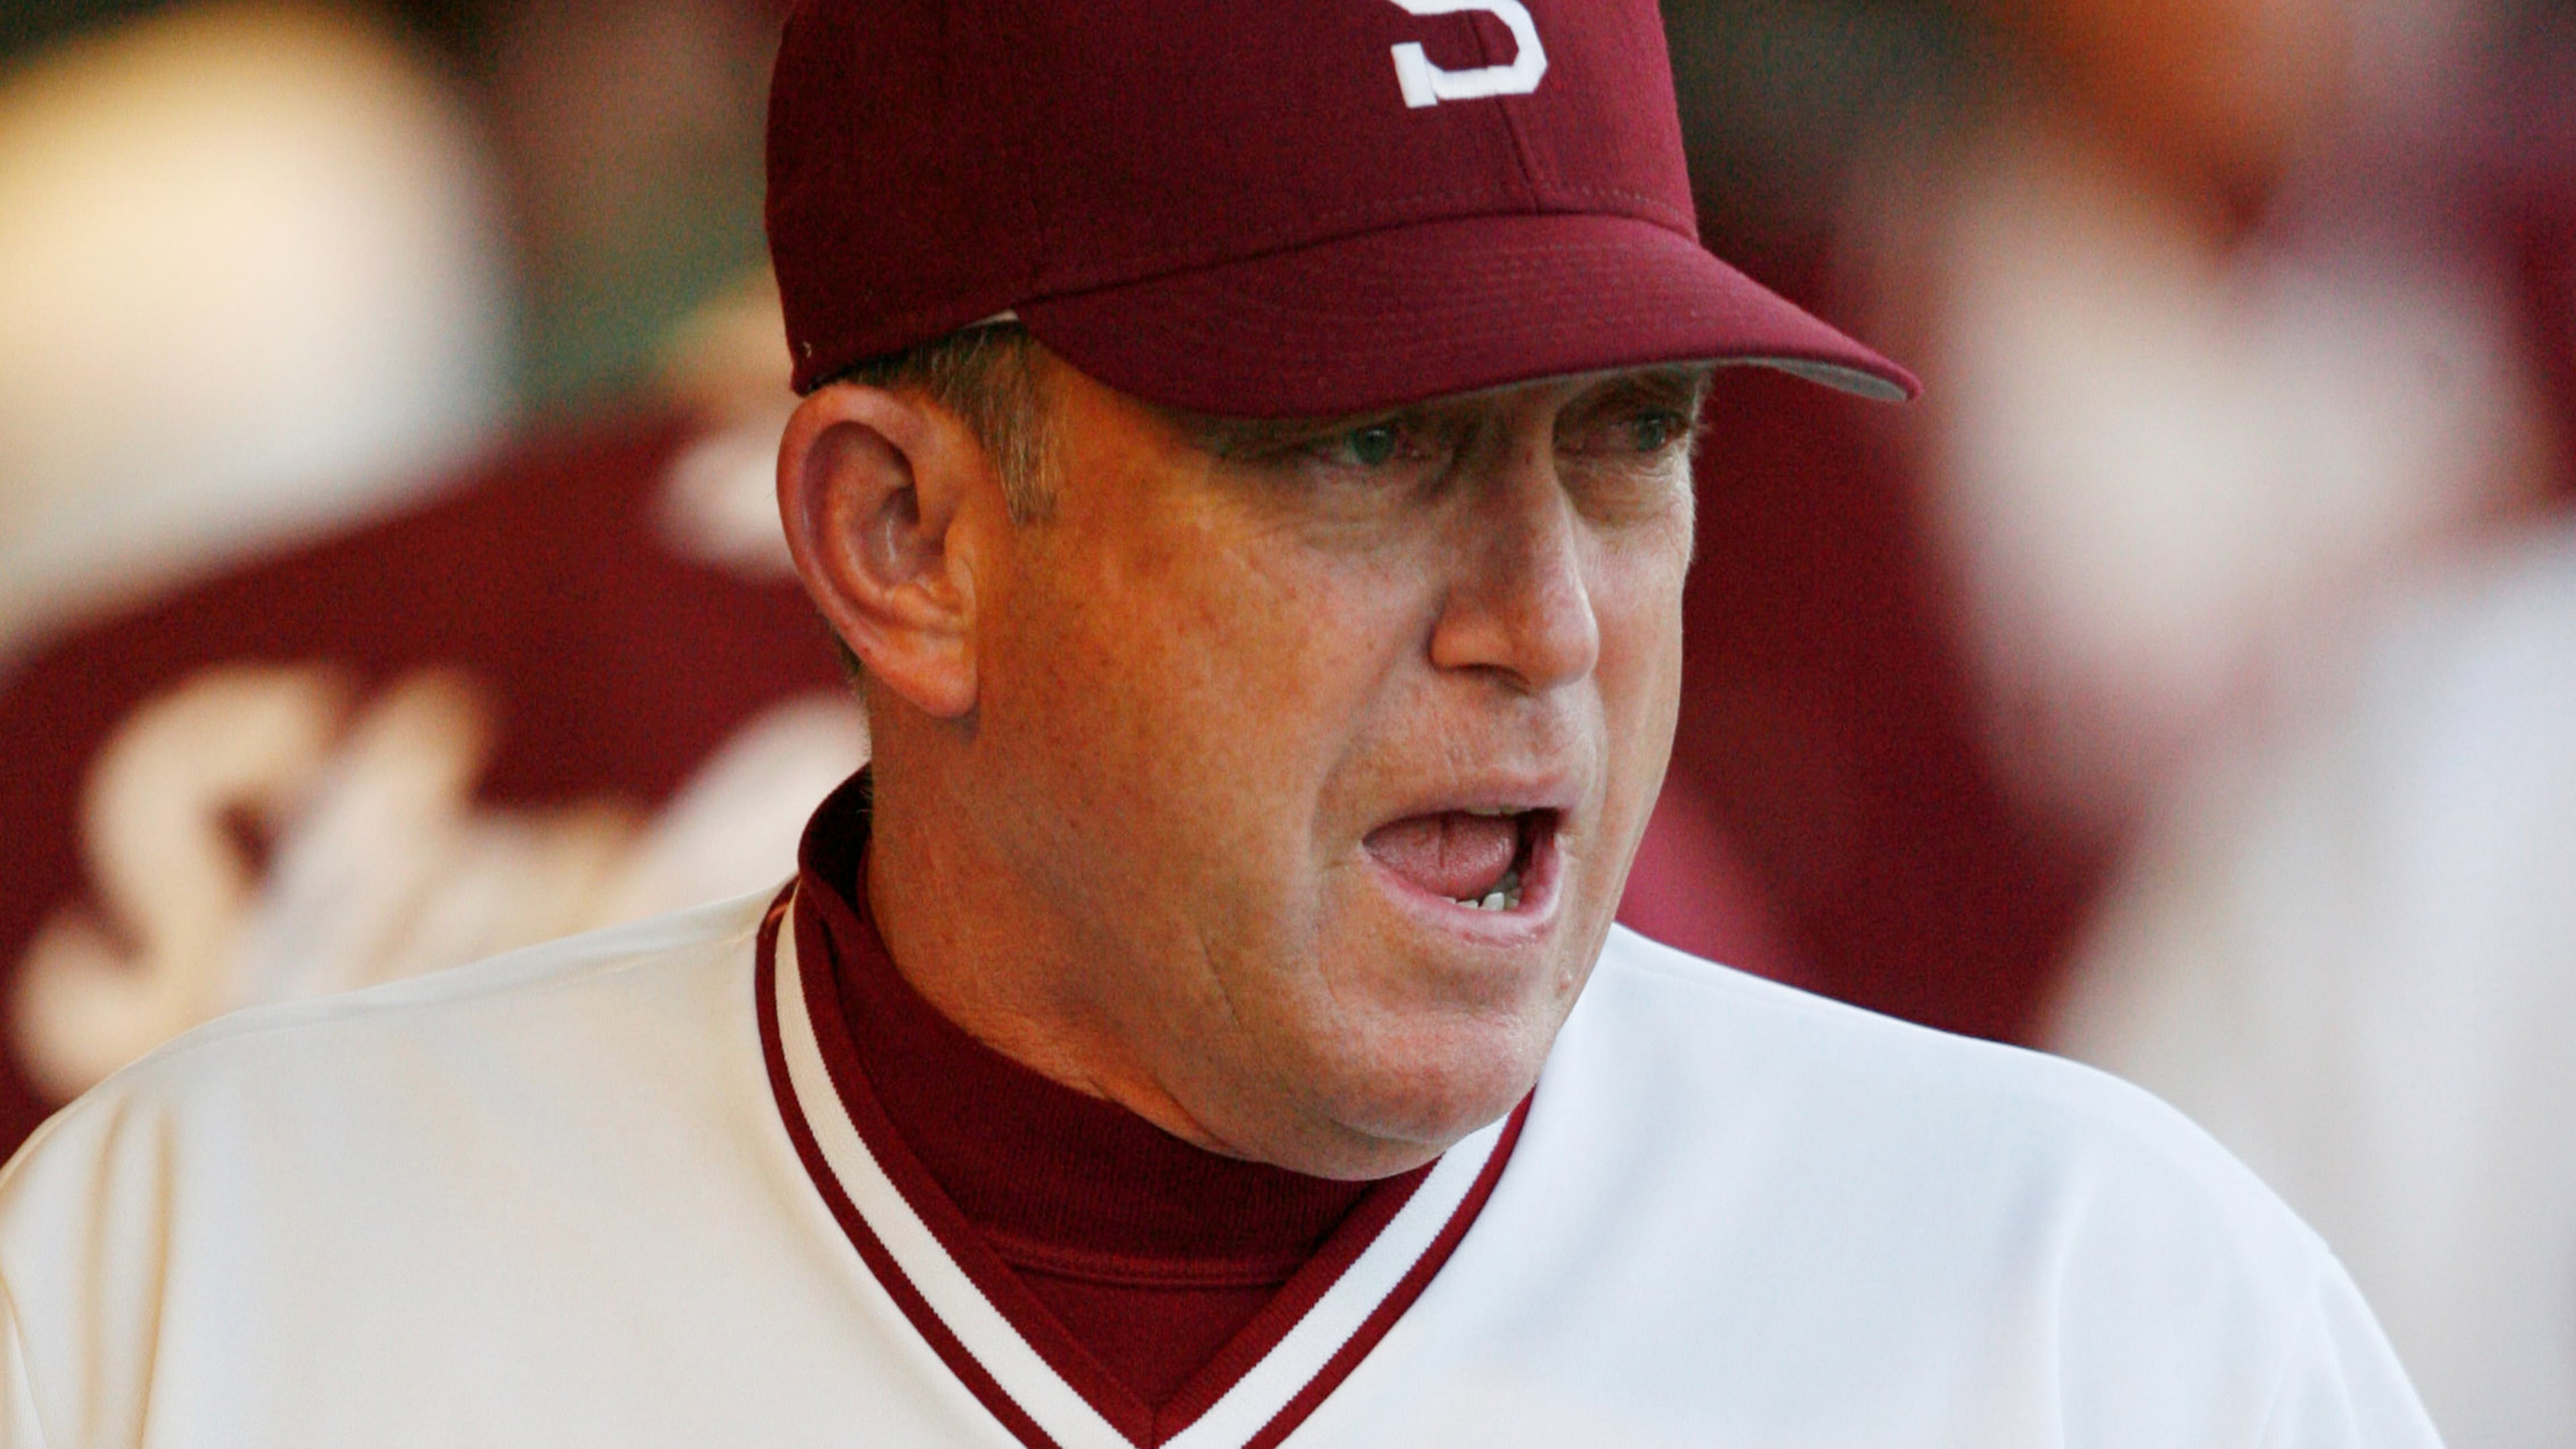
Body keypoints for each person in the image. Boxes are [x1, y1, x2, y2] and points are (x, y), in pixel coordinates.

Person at [0, 2, 2440, 1445]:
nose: (1547, 620)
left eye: (1631, 436)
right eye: (1362, 443)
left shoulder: (2097, 1323)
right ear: (900, 539)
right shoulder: (194, 1274)